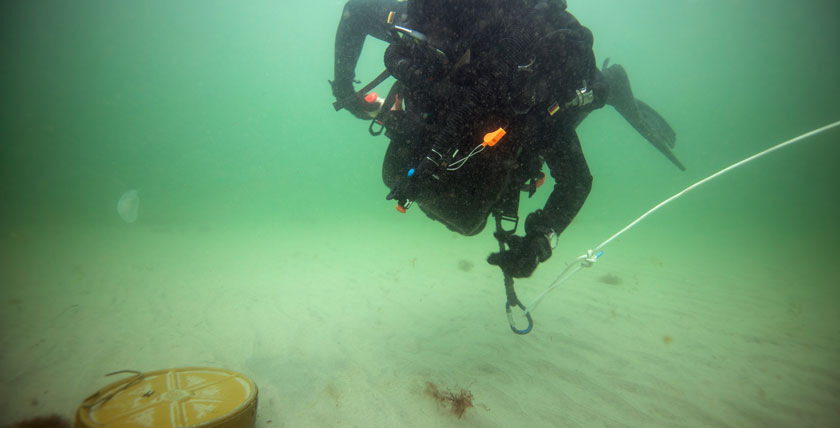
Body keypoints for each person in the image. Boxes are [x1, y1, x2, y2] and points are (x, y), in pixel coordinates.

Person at [331, 0, 682, 285]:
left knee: (468, 214)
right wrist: (345, 89)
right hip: (464, 118)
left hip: (521, 111)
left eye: (442, 47)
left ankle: (610, 84)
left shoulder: (525, 85)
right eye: (423, 39)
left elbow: (576, 180)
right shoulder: (427, 16)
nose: (426, 51)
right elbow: (358, 12)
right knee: (400, 171)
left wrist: (539, 242)